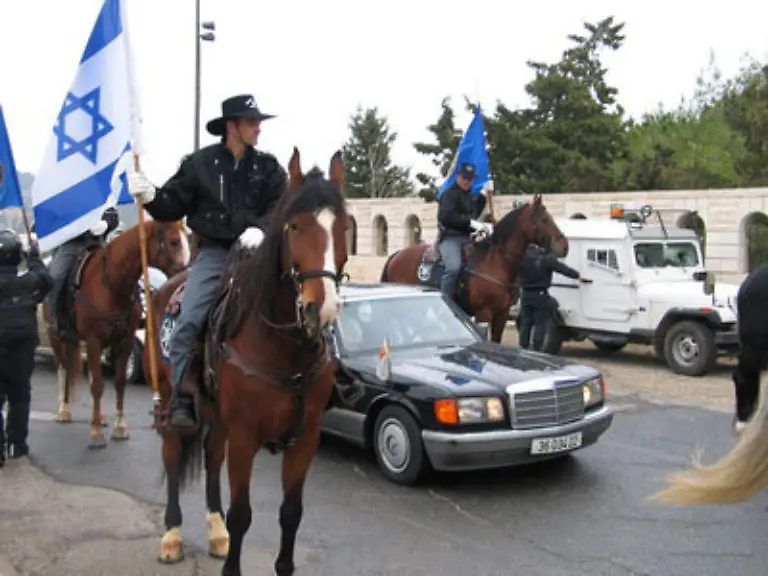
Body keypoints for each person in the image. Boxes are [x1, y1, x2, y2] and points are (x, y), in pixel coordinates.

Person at [128, 94, 287, 430]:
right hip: (215, 253)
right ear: (232, 126)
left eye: (258, 121)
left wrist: (260, 229)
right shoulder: (198, 165)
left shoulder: (269, 167)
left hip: (259, 251)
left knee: (300, 302)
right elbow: (173, 204)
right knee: (190, 318)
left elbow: (281, 205)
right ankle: (183, 396)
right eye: (252, 122)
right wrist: (153, 195)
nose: (258, 128)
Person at [0, 229, 53, 465]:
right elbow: (47, 281)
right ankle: (17, 445)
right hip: (22, 348)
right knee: (20, 397)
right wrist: (34, 257)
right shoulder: (28, 281)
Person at [47, 206, 120, 320]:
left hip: (99, 242)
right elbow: (55, 218)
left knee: (122, 270)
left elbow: (113, 215)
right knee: (55, 277)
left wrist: (106, 223)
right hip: (72, 243)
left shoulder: (99, 189)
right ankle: (53, 319)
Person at [517, 244, 589, 352]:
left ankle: (523, 347)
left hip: (526, 294)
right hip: (540, 295)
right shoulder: (546, 258)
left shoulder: (523, 257)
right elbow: (562, 269)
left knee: (525, 323)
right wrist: (578, 276)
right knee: (540, 324)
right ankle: (536, 349)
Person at [436, 162, 492, 304]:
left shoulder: (469, 196)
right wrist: (470, 223)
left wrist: (484, 194)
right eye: (465, 178)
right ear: (458, 177)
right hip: (451, 238)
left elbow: (474, 211)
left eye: (470, 179)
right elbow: (446, 216)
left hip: (468, 238)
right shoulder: (448, 194)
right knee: (453, 268)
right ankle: (445, 301)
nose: (467, 181)